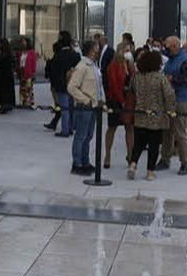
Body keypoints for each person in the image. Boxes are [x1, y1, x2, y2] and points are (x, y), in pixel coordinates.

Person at [128, 49, 176, 181]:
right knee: (154, 145)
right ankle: (150, 172)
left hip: (140, 114)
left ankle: (133, 165)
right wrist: (171, 110)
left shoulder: (136, 77)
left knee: (138, 143)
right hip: (156, 116)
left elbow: (131, 89)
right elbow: (169, 95)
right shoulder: (160, 77)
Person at [158, 36, 187, 174]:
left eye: (168, 47)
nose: (166, 50)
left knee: (180, 132)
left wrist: (173, 79)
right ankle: (165, 159)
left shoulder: (185, 59)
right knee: (166, 131)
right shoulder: (172, 58)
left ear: (175, 46)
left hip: (181, 99)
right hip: (169, 99)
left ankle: (185, 162)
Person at [67, 40, 101, 174]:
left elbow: (98, 85)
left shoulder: (93, 65)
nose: (98, 51)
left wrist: (101, 100)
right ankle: (77, 164)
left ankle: (85, 161)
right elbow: (71, 87)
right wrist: (85, 99)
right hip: (84, 106)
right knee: (81, 136)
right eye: (96, 49)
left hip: (94, 106)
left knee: (88, 136)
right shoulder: (82, 66)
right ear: (91, 51)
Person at [103, 45, 134, 169]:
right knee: (112, 127)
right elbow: (114, 85)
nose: (128, 53)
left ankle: (131, 155)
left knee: (130, 128)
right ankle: (107, 155)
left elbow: (134, 78)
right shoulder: (113, 66)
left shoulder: (130, 65)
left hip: (129, 100)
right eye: (126, 50)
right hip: (116, 100)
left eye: (129, 51)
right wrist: (121, 101)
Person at [46, 33, 78, 136]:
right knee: (71, 106)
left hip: (61, 85)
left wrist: (54, 86)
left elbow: (54, 73)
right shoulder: (75, 55)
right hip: (73, 84)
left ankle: (65, 130)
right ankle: (71, 127)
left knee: (64, 108)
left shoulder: (58, 55)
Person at [15, 37, 35, 109]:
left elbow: (33, 63)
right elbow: (18, 62)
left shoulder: (32, 52)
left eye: (24, 41)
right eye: (22, 42)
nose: (22, 43)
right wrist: (17, 71)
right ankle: (22, 102)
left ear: (27, 42)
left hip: (29, 71)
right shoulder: (20, 52)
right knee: (22, 87)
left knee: (29, 87)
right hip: (21, 71)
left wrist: (33, 72)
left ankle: (29, 102)